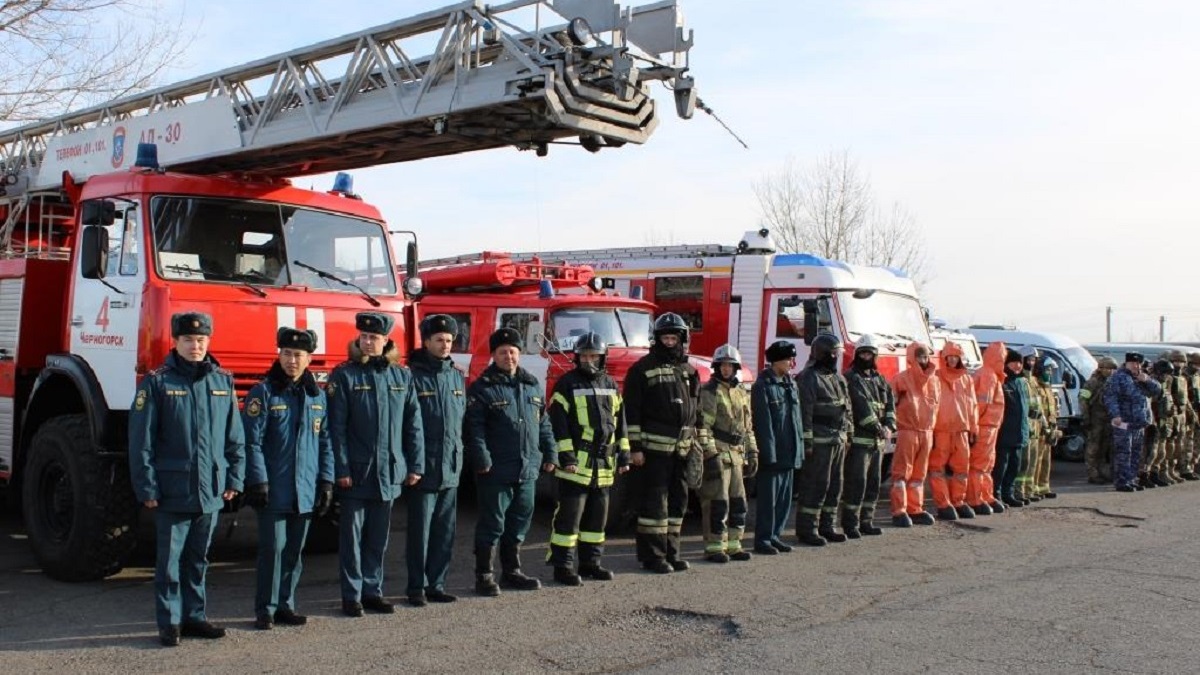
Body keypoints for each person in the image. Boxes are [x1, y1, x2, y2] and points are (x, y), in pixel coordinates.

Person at [128, 312, 245, 647]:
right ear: (176, 342)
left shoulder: (222, 381)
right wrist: (147, 487)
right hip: (172, 489)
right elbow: (142, 441)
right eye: (189, 340)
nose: (196, 346)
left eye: (202, 340)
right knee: (168, 563)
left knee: (199, 559)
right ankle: (170, 622)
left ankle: (195, 617)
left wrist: (235, 478)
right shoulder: (157, 382)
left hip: (211, 489)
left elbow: (234, 437)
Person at [329, 311, 424, 617]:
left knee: (378, 538)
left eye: (375, 337)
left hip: (390, 471)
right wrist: (340, 469)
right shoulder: (344, 375)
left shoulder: (402, 376)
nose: (368, 342)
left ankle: (373, 591)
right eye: (364, 337)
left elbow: (413, 424)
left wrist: (415, 464)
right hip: (357, 473)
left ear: (386, 340)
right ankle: (352, 595)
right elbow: (336, 428)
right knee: (352, 539)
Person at [243, 327, 333, 630]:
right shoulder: (264, 393)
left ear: (309, 359)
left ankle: (286, 605)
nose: (292, 360)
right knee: (273, 549)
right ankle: (265, 609)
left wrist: (326, 482)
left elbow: (325, 442)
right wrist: (258, 481)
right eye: (287, 354)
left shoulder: (316, 397)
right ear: (278, 355)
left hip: (305, 490)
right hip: (274, 489)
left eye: (298, 355)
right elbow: (251, 441)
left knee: (294, 551)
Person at [466, 327, 556, 594]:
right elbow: (475, 429)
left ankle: (512, 571)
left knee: (519, 523)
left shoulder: (531, 385)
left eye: (513, 352)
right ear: (494, 355)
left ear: (520, 354)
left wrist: (550, 453)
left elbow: (544, 424)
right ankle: (484, 575)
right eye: (503, 352)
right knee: (492, 524)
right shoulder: (482, 388)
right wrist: (481, 459)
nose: (509, 357)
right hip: (495, 471)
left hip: (526, 469)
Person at [545, 332, 630, 584]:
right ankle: (563, 567)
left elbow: (620, 424)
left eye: (594, 355)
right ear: (576, 357)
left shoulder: (611, 384)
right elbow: (558, 425)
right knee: (569, 521)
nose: (589, 360)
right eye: (584, 356)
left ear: (603, 357)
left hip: (603, 466)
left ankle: (591, 564)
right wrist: (566, 457)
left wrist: (623, 456)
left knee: (596, 520)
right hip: (575, 466)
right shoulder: (566, 384)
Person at [623, 313, 702, 573]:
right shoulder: (642, 369)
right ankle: (653, 556)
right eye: (665, 338)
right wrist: (635, 449)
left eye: (673, 338)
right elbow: (632, 413)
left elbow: (697, 410)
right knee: (655, 505)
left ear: (682, 339)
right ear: (656, 339)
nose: (669, 342)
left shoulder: (690, 371)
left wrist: (698, 442)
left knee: (679, 502)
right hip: (654, 451)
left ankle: (672, 552)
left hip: (682, 449)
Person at [404, 314, 467, 606]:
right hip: (424, 467)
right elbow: (407, 424)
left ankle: (437, 584)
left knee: (444, 532)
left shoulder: (456, 376)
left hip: (450, 468)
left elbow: (460, 422)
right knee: (420, 533)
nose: (445, 345)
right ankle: (416, 586)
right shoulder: (412, 376)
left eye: (449, 340)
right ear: (426, 341)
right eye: (439, 340)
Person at [696, 344, 757, 562]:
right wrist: (710, 455)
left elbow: (747, 427)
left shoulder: (741, 392)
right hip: (719, 454)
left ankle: (734, 544)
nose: (726, 369)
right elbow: (703, 427)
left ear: (735, 367)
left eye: (730, 366)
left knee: (738, 502)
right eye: (722, 365)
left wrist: (753, 453)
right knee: (717, 503)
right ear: (716, 366)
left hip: (738, 454)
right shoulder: (709, 391)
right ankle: (714, 547)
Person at [795, 333, 852, 546]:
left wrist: (848, 435)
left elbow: (847, 409)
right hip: (819, 442)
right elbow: (805, 413)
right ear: (824, 354)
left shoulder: (838, 378)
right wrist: (807, 442)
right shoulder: (809, 377)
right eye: (834, 353)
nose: (837, 357)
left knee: (835, 486)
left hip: (837, 440)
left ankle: (827, 526)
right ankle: (807, 529)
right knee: (815, 485)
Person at [750, 340, 805, 554]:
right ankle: (763, 539)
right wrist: (768, 454)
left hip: (790, 453)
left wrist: (799, 450)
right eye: (788, 359)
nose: (792, 363)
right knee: (768, 502)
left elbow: (796, 421)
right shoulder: (762, 386)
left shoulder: (790, 383)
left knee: (784, 501)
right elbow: (763, 424)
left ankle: (775, 535)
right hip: (773, 455)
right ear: (776, 361)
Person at [841, 334, 895, 537]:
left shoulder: (880, 380)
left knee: (873, 484)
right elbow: (861, 408)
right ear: (856, 355)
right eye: (862, 353)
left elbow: (890, 405)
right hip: (860, 442)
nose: (866, 356)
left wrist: (890, 425)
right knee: (856, 484)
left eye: (869, 353)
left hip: (878, 444)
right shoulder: (851, 378)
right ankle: (851, 524)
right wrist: (879, 428)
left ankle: (866, 521)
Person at [889, 341, 941, 527]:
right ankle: (899, 511)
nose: (923, 360)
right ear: (912, 358)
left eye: (925, 356)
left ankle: (915, 508)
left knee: (919, 475)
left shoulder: (935, 381)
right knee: (901, 473)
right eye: (919, 356)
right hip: (907, 431)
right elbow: (891, 405)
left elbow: (937, 408)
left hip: (926, 432)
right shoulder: (901, 379)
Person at [929, 341, 979, 521]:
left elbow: (973, 404)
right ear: (944, 358)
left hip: (961, 430)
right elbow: (931, 404)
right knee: (937, 468)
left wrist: (974, 428)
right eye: (949, 357)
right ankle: (943, 504)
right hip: (941, 430)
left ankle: (958, 501)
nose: (952, 360)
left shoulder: (966, 379)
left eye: (955, 357)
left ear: (960, 358)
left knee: (961, 468)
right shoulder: (935, 377)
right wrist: (931, 429)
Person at [1103, 352, 1160, 492]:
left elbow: (1157, 391)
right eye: (1133, 363)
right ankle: (1122, 482)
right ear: (1126, 363)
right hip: (1124, 422)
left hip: (1139, 423)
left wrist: (1147, 380)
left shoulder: (1141, 378)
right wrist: (1115, 415)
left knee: (1136, 453)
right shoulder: (1118, 378)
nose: (1136, 366)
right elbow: (1110, 398)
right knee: (1123, 453)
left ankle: (1131, 479)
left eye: (1138, 363)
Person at [968, 342, 1007, 515]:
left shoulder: (990, 375)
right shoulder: (988, 375)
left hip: (989, 426)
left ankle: (985, 495)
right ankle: (976, 498)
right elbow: (981, 403)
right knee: (979, 465)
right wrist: (975, 426)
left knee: (987, 464)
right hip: (985, 426)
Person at [993, 349, 1030, 508]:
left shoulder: (1021, 382)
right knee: (1001, 466)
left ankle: (1009, 493)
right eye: (1014, 362)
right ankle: (996, 494)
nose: (1017, 366)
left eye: (1020, 363)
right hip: (1004, 433)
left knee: (1015, 466)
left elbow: (1025, 409)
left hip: (1019, 432)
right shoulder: (1001, 382)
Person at [1139, 359, 1177, 488]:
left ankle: (1154, 474)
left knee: (1160, 452)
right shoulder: (1149, 383)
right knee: (1149, 451)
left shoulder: (1167, 382)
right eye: (1165, 373)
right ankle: (1144, 475)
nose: (1167, 376)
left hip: (1163, 420)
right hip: (1151, 421)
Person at [1079, 356, 1117, 484]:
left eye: (1112, 369)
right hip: (1095, 418)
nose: (1110, 371)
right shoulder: (1092, 382)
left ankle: (1100, 471)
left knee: (1103, 447)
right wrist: (1086, 418)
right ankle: (1092, 473)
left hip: (1107, 418)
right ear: (1101, 368)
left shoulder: (1112, 382)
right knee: (1093, 447)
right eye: (1108, 369)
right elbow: (1083, 400)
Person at [1015, 346, 1043, 504]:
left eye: (1034, 360)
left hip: (1036, 425)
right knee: (1023, 461)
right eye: (1029, 360)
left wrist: (1044, 423)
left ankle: (1028, 490)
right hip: (1027, 425)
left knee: (1033, 461)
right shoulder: (1021, 380)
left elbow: (1038, 403)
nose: (1031, 363)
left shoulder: (1033, 380)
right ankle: (1018, 491)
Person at [1030, 358, 1061, 499]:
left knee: (1046, 460)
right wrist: (1043, 425)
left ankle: (1044, 487)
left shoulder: (1048, 387)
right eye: (1047, 370)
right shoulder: (1035, 385)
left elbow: (1052, 408)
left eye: (1050, 370)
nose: (1049, 373)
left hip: (1050, 427)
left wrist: (1054, 426)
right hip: (1040, 428)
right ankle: (1034, 488)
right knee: (1036, 459)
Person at [1165, 350, 1193, 481]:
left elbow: (1185, 398)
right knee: (1169, 444)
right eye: (1176, 361)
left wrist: (1190, 412)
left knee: (1180, 444)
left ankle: (1175, 469)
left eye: (1181, 361)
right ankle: (1165, 470)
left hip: (1182, 414)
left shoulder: (1183, 378)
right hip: (1172, 414)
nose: (1179, 364)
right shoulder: (1168, 378)